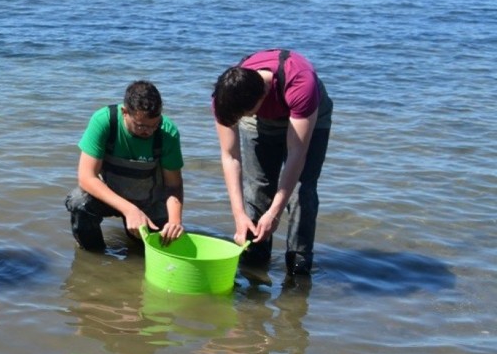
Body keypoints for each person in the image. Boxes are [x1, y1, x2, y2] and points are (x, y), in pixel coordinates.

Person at [213, 49, 332, 276]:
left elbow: (297, 154)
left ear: (263, 95)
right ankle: (254, 264)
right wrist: (238, 214)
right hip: (260, 114)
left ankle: (298, 265)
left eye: (244, 115)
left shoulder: (301, 83)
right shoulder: (226, 97)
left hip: (309, 115)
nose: (240, 120)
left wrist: (275, 213)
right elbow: (230, 156)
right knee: (258, 187)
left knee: (301, 190)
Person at [65, 80, 185, 252]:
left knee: (154, 250)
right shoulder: (104, 121)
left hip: (149, 202)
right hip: (110, 196)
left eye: (154, 125)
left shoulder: (167, 132)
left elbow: (173, 186)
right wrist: (129, 210)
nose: (149, 131)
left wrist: (175, 221)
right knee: (79, 202)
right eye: (141, 126)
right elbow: (86, 177)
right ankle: (94, 256)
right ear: (125, 112)